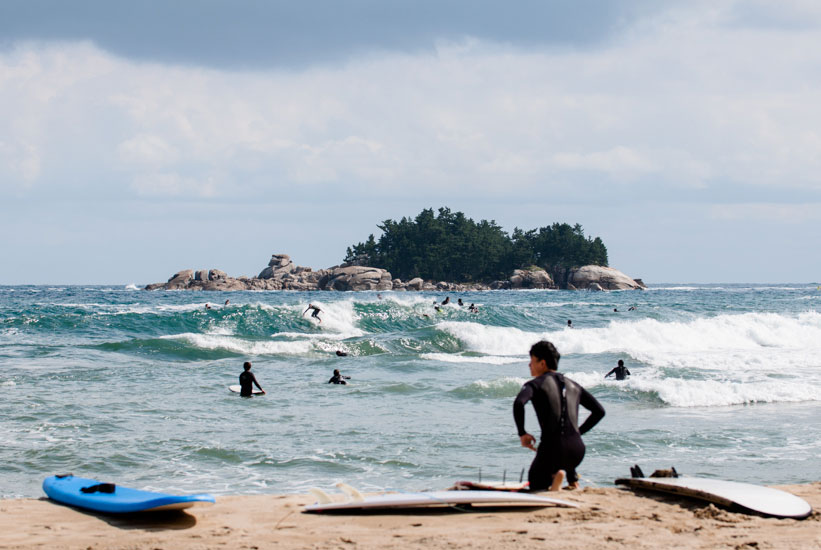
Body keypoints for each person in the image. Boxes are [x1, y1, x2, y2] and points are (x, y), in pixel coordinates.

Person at [513, 340, 605, 492]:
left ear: (542, 363)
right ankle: (571, 479)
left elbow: (518, 403)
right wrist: (577, 433)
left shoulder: (535, 384)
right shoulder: (573, 384)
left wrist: (522, 433)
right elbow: (599, 411)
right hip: (577, 451)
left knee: (535, 484)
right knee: (563, 454)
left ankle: (556, 484)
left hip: (551, 450)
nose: (529, 365)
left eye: (532, 361)